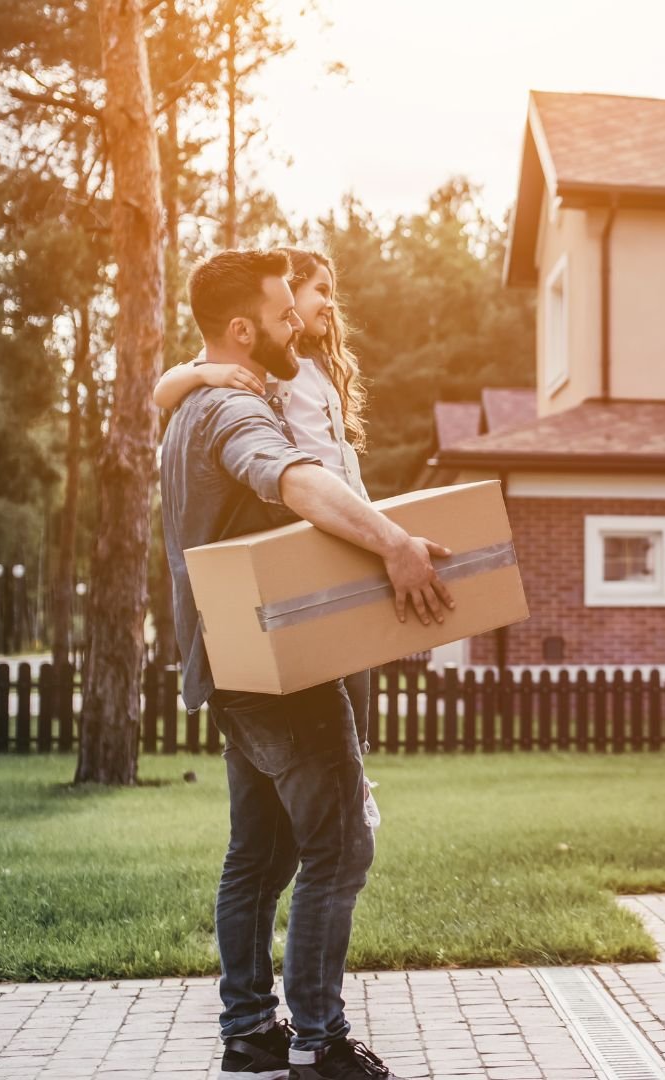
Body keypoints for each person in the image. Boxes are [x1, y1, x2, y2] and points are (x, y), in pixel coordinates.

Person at [161, 249, 452, 1080]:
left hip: (228, 669)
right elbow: (295, 480)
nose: (301, 324)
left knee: (259, 854)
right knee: (338, 846)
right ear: (244, 328)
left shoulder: (189, 411)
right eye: (284, 314)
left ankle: (249, 1030)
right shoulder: (231, 414)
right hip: (281, 674)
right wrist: (394, 542)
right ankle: (319, 1042)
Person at [154, 248, 375, 734]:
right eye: (318, 291)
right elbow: (164, 389)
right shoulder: (256, 369)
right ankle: (350, 786)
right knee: (330, 710)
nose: (325, 306)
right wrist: (202, 372)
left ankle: (355, 775)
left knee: (355, 691)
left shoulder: (313, 368)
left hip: (342, 519)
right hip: (311, 518)